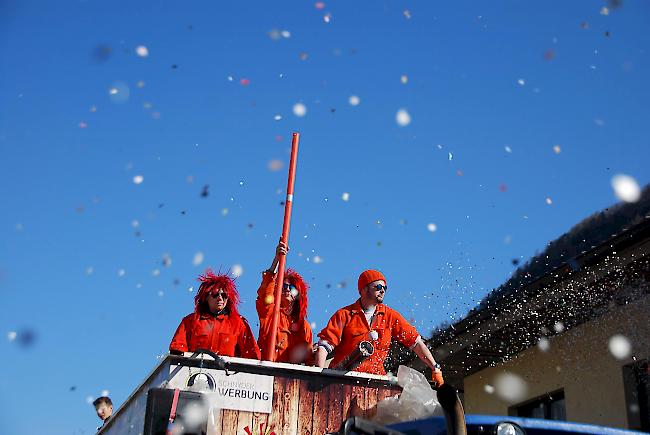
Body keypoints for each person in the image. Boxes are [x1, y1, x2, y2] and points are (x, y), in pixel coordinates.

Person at [315, 269, 444, 385]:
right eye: (378, 287)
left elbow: (415, 342)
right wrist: (319, 377)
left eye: (385, 287)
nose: (382, 290)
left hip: (376, 383)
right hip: (343, 381)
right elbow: (324, 346)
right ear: (364, 289)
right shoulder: (344, 315)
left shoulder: (390, 316)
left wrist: (435, 368)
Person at [170, 269, 261, 359]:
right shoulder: (190, 321)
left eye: (224, 295)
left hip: (226, 372)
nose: (220, 298)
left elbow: (252, 356)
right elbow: (177, 351)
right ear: (206, 297)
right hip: (196, 372)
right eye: (215, 294)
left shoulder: (239, 324)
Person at [256, 241, 313, 363]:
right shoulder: (270, 313)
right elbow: (265, 292)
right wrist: (277, 259)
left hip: (290, 379)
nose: (287, 289)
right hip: (266, 374)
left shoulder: (304, 326)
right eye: (283, 286)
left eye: (291, 287)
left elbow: (308, 361)